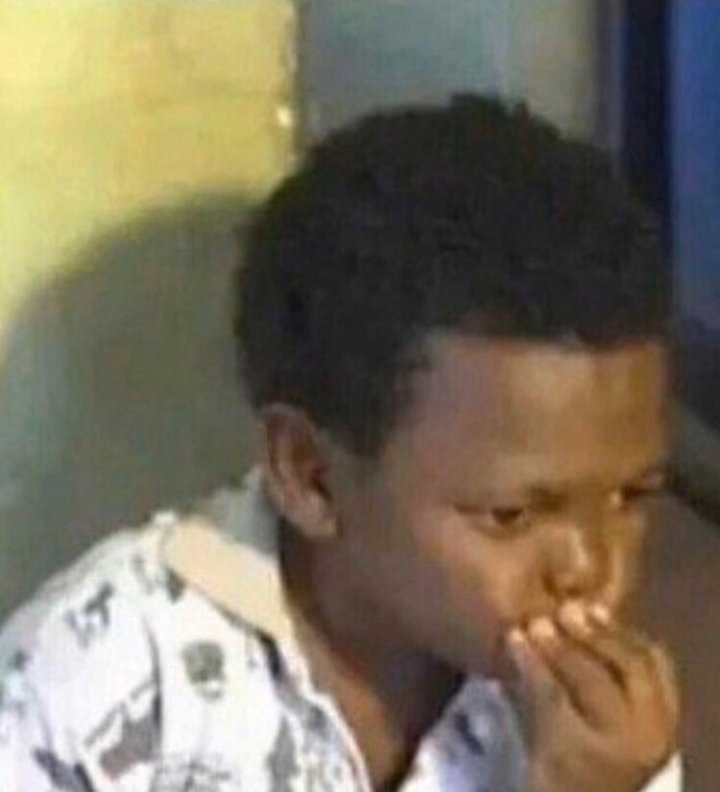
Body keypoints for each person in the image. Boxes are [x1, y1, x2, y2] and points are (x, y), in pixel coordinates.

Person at [0, 95, 681, 791]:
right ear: (311, 476)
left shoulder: (595, 728)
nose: (589, 567)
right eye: (510, 515)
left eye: (630, 497)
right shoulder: (104, 684)